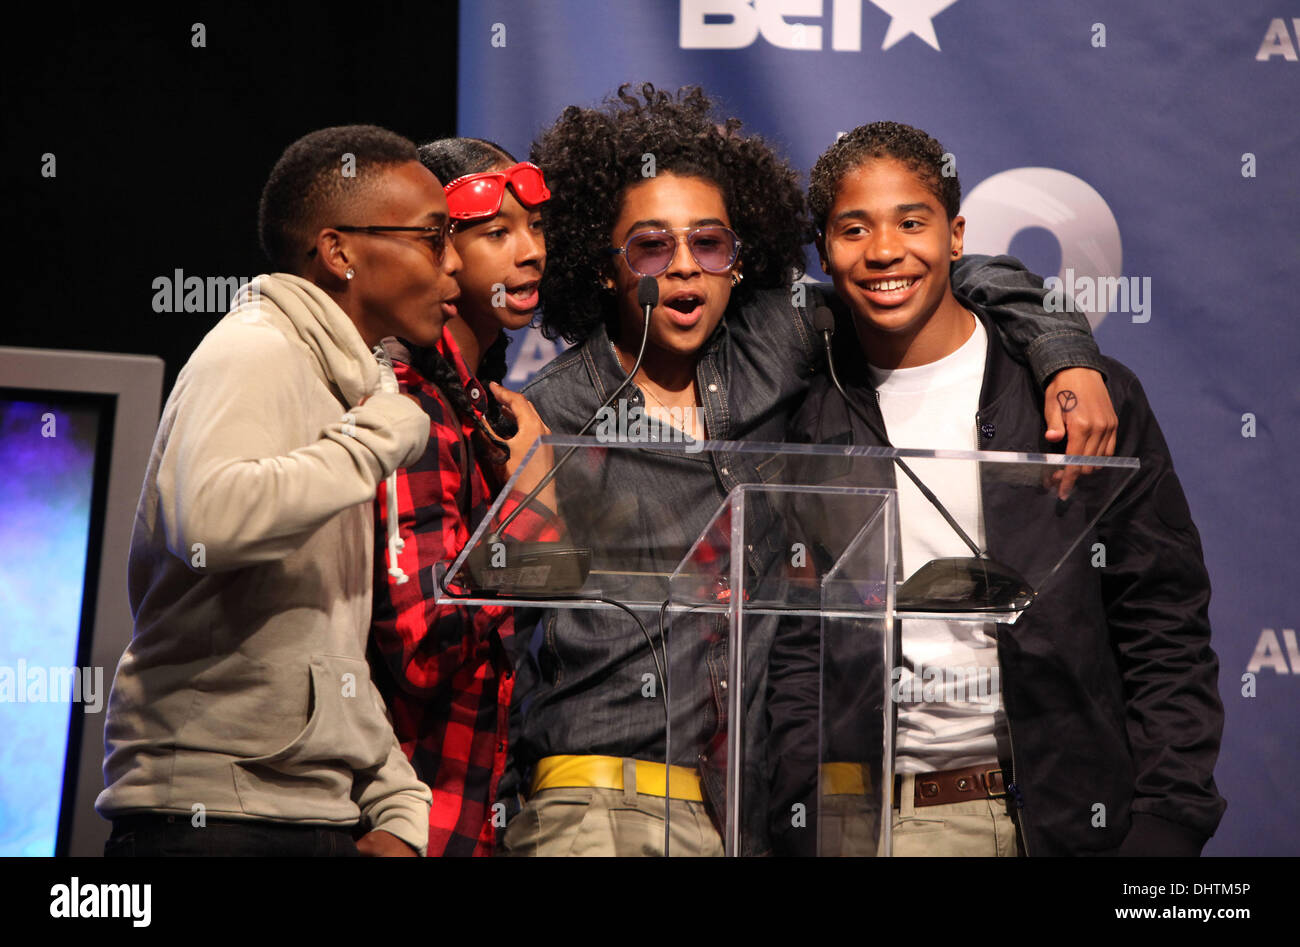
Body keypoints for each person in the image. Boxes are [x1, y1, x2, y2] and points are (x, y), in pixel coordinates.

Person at [501, 84, 1120, 856]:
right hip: (591, 800)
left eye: (711, 244)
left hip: (735, 810)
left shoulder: (778, 339)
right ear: (605, 266)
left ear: (739, 259)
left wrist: (1065, 352)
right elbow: (496, 633)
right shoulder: (547, 415)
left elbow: (949, 279)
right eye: (653, 247)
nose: (685, 269)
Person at [777, 120, 1225, 856]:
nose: (885, 249)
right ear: (824, 251)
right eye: (854, 228)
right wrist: (799, 817)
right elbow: (795, 640)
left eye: (911, 222)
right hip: (871, 824)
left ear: (956, 236)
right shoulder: (807, 408)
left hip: (1064, 820)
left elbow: (1163, 616)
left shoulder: (1084, 400)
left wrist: (1169, 819)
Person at [96, 125, 458, 857]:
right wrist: (376, 438)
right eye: (433, 236)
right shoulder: (256, 348)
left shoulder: (350, 386)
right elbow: (209, 518)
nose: (452, 265)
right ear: (339, 251)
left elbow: (317, 640)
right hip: (210, 821)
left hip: (305, 813)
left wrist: (396, 801)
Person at [368, 137, 561, 856]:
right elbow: (423, 644)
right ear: (438, 250)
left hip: (470, 818)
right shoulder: (408, 402)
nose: (530, 250)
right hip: (408, 821)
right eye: (496, 232)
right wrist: (533, 500)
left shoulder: (484, 406)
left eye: (536, 227)